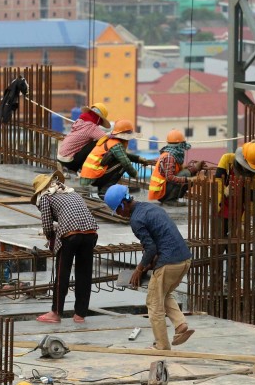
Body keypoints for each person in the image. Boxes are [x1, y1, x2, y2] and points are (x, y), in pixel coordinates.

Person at [106, 186, 194, 350]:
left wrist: (139, 269)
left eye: (117, 210)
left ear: (123, 204)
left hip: (169, 263)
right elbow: (159, 241)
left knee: (154, 303)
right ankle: (180, 325)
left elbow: (151, 248)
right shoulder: (150, 207)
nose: (119, 214)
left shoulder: (136, 220)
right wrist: (149, 264)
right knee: (164, 294)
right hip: (185, 260)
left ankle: (161, 345)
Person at [31, 170, 99, 324]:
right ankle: (80, 314)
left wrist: (51, 239)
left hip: (70, 235)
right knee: (84, 274)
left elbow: (47, 225)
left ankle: (56, 312)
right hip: (90, 233)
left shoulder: (45, 197)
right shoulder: (72, 193)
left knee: (62, 274)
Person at [79, 119, 148, 197]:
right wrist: (135, 174)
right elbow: (125, 161)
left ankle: (102, 189)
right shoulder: (116, 144)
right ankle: (105, 190)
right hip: (93, 177)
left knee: (119, 160)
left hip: (88, 176)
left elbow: (123, 154)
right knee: (122, 164)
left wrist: (138, 159)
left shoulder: (111, 141)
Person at [214, 141, 255, 232]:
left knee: (234, 242)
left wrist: (242, 223)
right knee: (218, 239)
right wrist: (224, 191)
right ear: (243, 158)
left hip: (239, 213)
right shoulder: (227, 159)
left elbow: (251, 204)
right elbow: (217, 182)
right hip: (221, 207)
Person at [148, 129, 203, 204]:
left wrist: (195, 168)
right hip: (160, 193)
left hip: (162, 190)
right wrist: (189, 179)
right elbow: (170, 178)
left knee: (189, 173)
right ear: (179, 145)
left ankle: (172, 198)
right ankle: (170, 200)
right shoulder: (169, 157)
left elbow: (178, 171)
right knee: (186, 174)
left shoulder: (172, 154)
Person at [57, 103, 110, 174]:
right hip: (70, 161)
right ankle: (81, 169)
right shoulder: (91, 127)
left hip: (60, 157)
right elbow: (105, 138)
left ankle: (66, 168)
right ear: (99, 118)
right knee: (97, 144)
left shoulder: (80, 121)